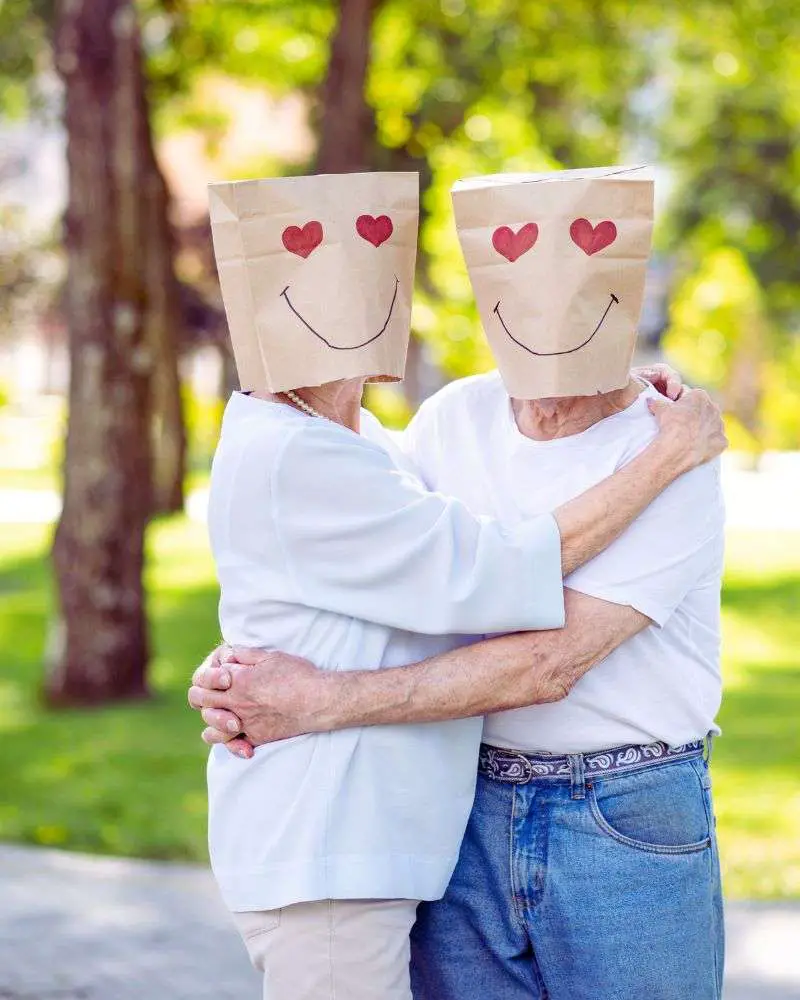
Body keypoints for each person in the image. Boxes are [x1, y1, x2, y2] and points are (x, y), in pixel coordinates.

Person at [192, 168, 727, 1000]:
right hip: (464, 819)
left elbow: (544, 662)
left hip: (621, 817)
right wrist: (247, 672)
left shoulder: (670, 451)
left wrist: (307, 696)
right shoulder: (449, 422)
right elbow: (403, 566)